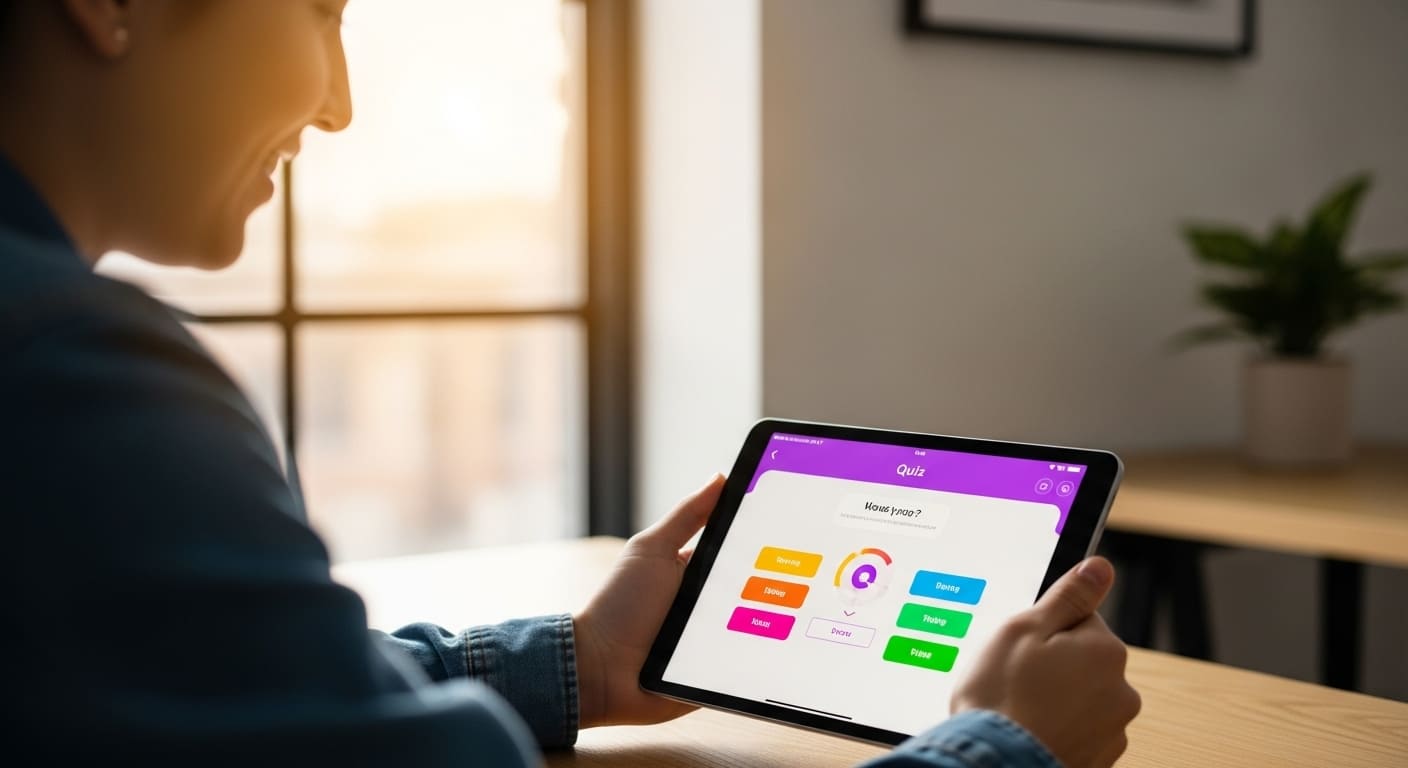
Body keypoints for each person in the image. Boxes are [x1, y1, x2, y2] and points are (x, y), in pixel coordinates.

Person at [0, 1, 1140, 765]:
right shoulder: (71, 374)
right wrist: (999, 743)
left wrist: (582, 664)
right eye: (322, 8)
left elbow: (219, 686)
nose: (338, 100)